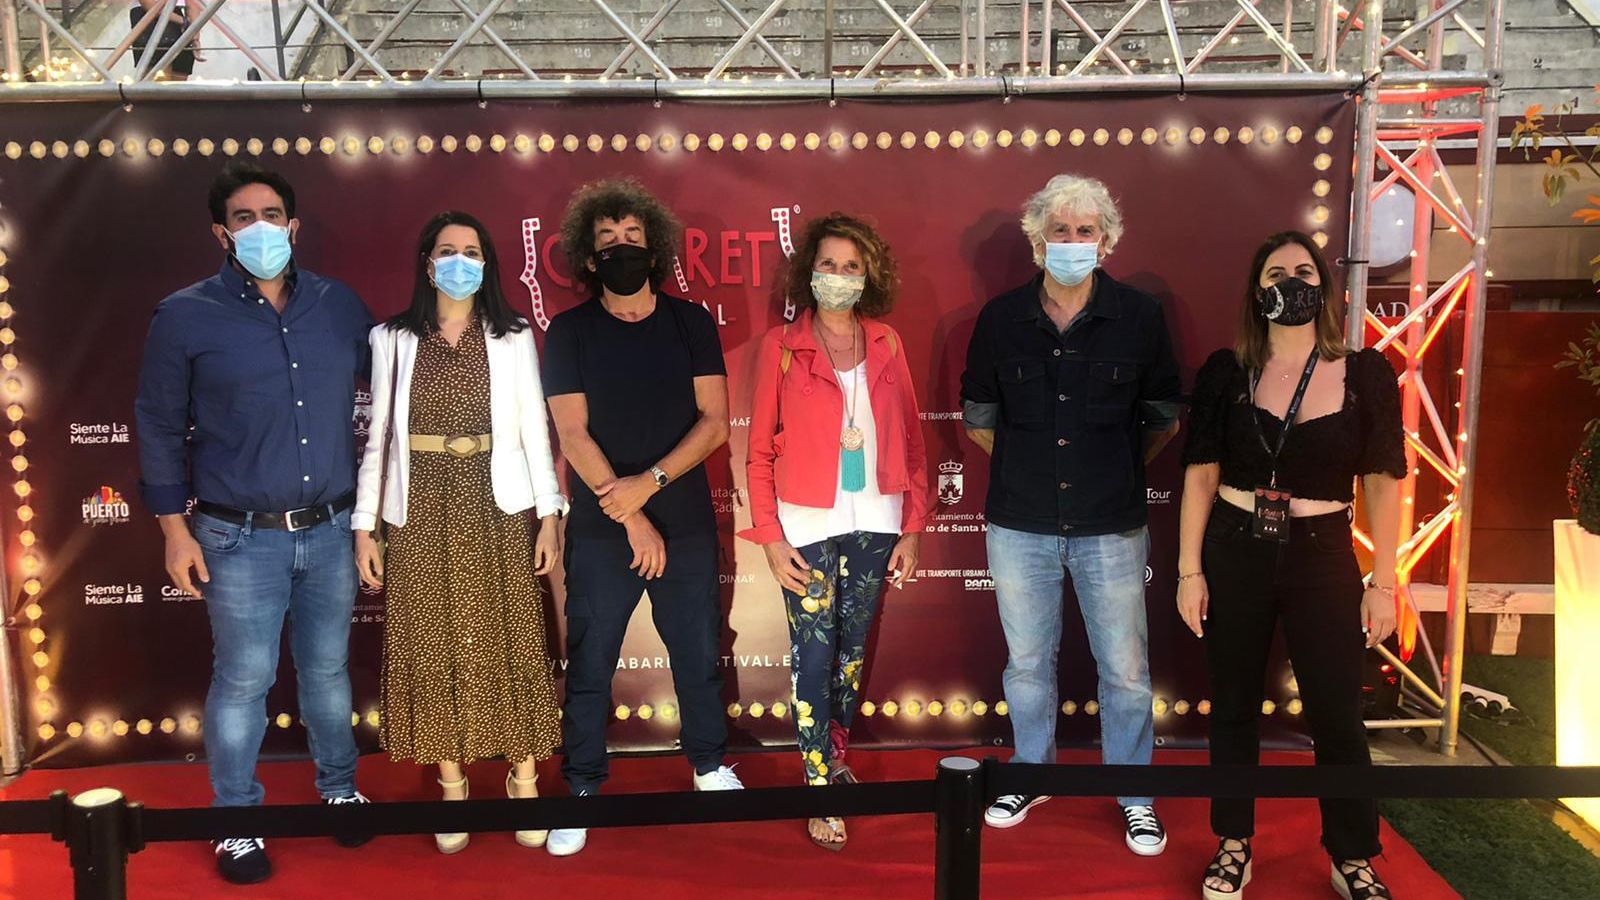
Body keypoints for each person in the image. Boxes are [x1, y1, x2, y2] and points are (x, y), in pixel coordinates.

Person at [134, 162, 373, 885]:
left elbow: (396, 392)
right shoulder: (183, 315)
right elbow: (155, 422)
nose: (261, 227)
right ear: (221, 231)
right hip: (236, 536)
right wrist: (173, 529)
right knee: (243, 679)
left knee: (328, 671)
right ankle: (236, 821)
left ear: (294, 226)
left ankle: (340, 790)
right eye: (244, 217)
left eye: (274, 214)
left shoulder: (339, 306)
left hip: (333, 528)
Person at [960, 174, 1182, 855]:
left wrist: (1104, 467)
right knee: (1027, 662)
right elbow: (978, 421)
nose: (1073, 242)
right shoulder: (1000, 320)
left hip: (1110, 522)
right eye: (1061, 231)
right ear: (1038, 240)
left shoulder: (1140, 318)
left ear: (1107, 241)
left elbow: (1164, 419)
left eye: (1086, 232)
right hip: (1018, 522)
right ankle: (1031, 772)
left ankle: (1134, 794)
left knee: (1124, 669)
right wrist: (1035, 470)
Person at [1177, 231, 1401, 900]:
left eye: (1305, 271)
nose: (1292, 282)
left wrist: (1384, 584)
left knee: (1336, 710)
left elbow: (1385, 480)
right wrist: (1190, 570)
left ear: (1324, 288)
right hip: (1235, 547)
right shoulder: (1226, 370)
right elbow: (1200, 476)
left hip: (1324, 553)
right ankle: (1234, 843)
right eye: (1277, 272)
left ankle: (1354, 854)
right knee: (1235, 708)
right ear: (1257, 290)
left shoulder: (1366, 373)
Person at [351, 212, 567, 855]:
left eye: (472, 252)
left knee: (509, 639)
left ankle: (523, 778)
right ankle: (452, 783)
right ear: (427, 263)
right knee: (430, 641)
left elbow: (535, 431)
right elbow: (379, 438)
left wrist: (549, 514)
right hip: (417, 508)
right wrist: (366, 527)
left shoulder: (513, 334)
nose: (459, 262)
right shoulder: (390, 337)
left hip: (495, 506)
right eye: (447, 251)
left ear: (488, 264)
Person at [541, 178, 744, 858]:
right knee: (591, 661)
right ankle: (581, 789)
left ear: (653, 248)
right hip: (604, 525)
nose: (621, 248)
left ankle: (709, 766)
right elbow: (572, 434)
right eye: (607, 241)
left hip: (683, 517)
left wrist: (651, 485)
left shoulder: (690, 323)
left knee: (696, 652)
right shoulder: (569, 331)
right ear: (588, 258)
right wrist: (629, 513)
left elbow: (715, 424)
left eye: (632, 237)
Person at [741, 213, 932, 850]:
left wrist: (913, 525)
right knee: (815, 656)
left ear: (869, 275)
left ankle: (833, 754)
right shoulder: (781, 346)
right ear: (809, 272)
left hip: (877, 519)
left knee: (850, 655)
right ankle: (818, 784)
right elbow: (758, 450)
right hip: (805, 524)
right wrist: (769, 536)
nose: (840, 277)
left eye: (853, 267)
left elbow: (910, 436)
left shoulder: (888, 343)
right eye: (829, 264)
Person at [129, 0, 203, 81]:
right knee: (163, 81)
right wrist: (191, 28)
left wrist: (194, 34)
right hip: (154, 16)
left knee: (174, 80)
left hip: (168, 17)